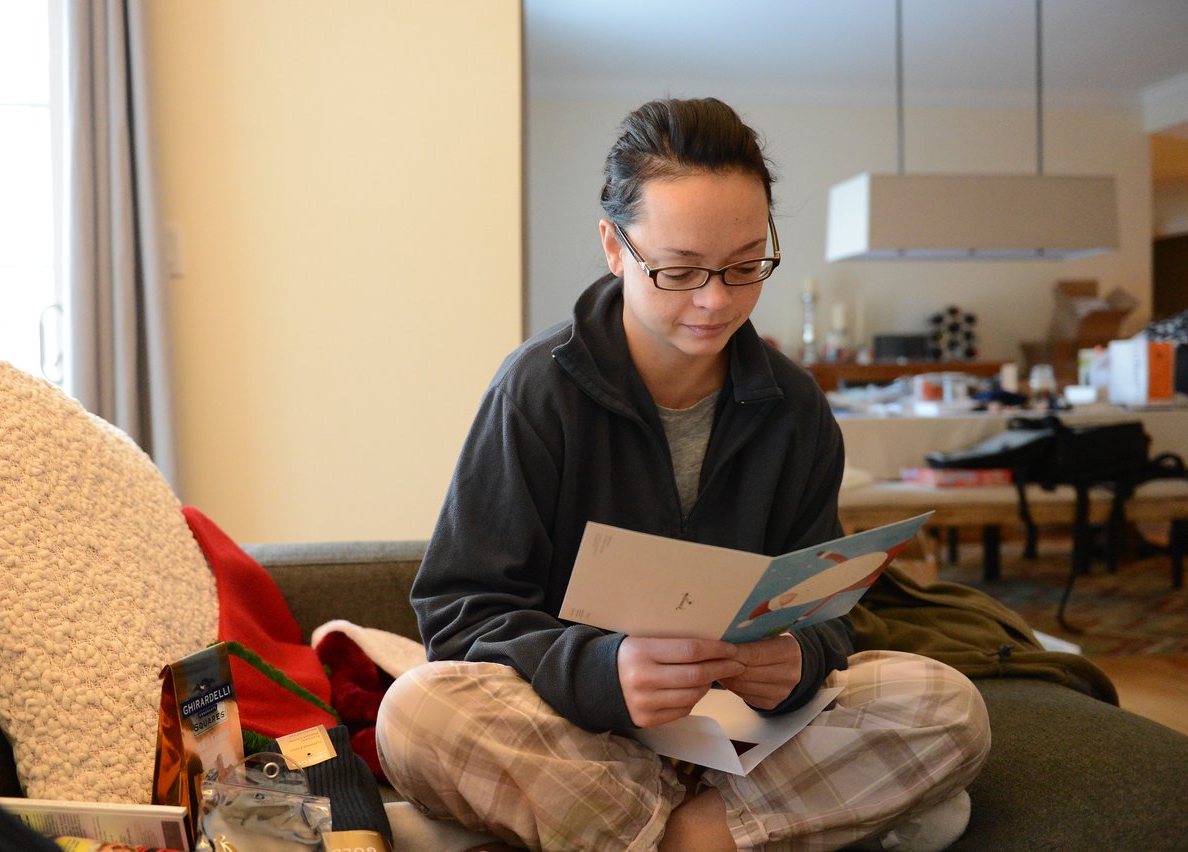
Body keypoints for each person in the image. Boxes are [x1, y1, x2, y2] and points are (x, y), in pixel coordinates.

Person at [376, 97, 990, 851]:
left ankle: (651, 834)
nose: (716, 301)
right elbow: (457, 615)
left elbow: (827, 613)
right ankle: (713, 835)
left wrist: (797, 662)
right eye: (678, 271)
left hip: (745, 736)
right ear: (613, 245)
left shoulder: (794, 409)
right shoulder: (537, 392)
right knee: (417, 712)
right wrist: (603, 670)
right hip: (583, 731)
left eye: (744, 266)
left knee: (946, 707)